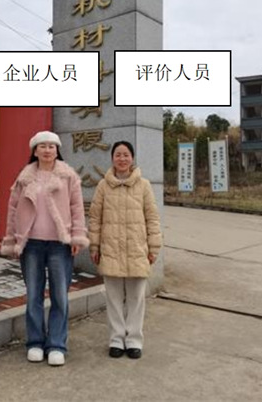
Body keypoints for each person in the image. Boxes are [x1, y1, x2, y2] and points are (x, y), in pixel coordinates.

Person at [0, 131, 88, 366]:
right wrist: (12, 239)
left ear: (57, 150)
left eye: (51, 146)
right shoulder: (25, 177)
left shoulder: (68, 176)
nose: (47, 150)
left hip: (60, 245)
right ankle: (35, 342)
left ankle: (57, 344)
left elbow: (77, 208)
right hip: (31, 245)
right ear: (35, 151)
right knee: (33, 296)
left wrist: (77, 237)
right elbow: (13, 209)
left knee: (59, 296)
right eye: (43, 146)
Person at [88, 140, 162, 360]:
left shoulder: (144, 185)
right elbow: (95, 218)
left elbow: (152, 218)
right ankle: (116, 339)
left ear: (132, 158)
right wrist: (94, 245)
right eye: (118, 155)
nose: (122, 158)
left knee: (136, 298)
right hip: (111, 249)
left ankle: (134, 340)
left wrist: (154, 246)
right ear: (112, 158)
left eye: (126, 154)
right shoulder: (103, 186)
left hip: (136, 249)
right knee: (113, 298)